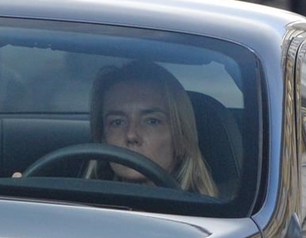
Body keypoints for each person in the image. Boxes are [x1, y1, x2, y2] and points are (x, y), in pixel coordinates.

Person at [90, 61, 218, 194]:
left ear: (181, 137)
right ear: (103, 139)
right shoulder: (80, 203)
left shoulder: (209, 212)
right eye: (117, 122)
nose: (131, 135)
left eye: (152, 121)